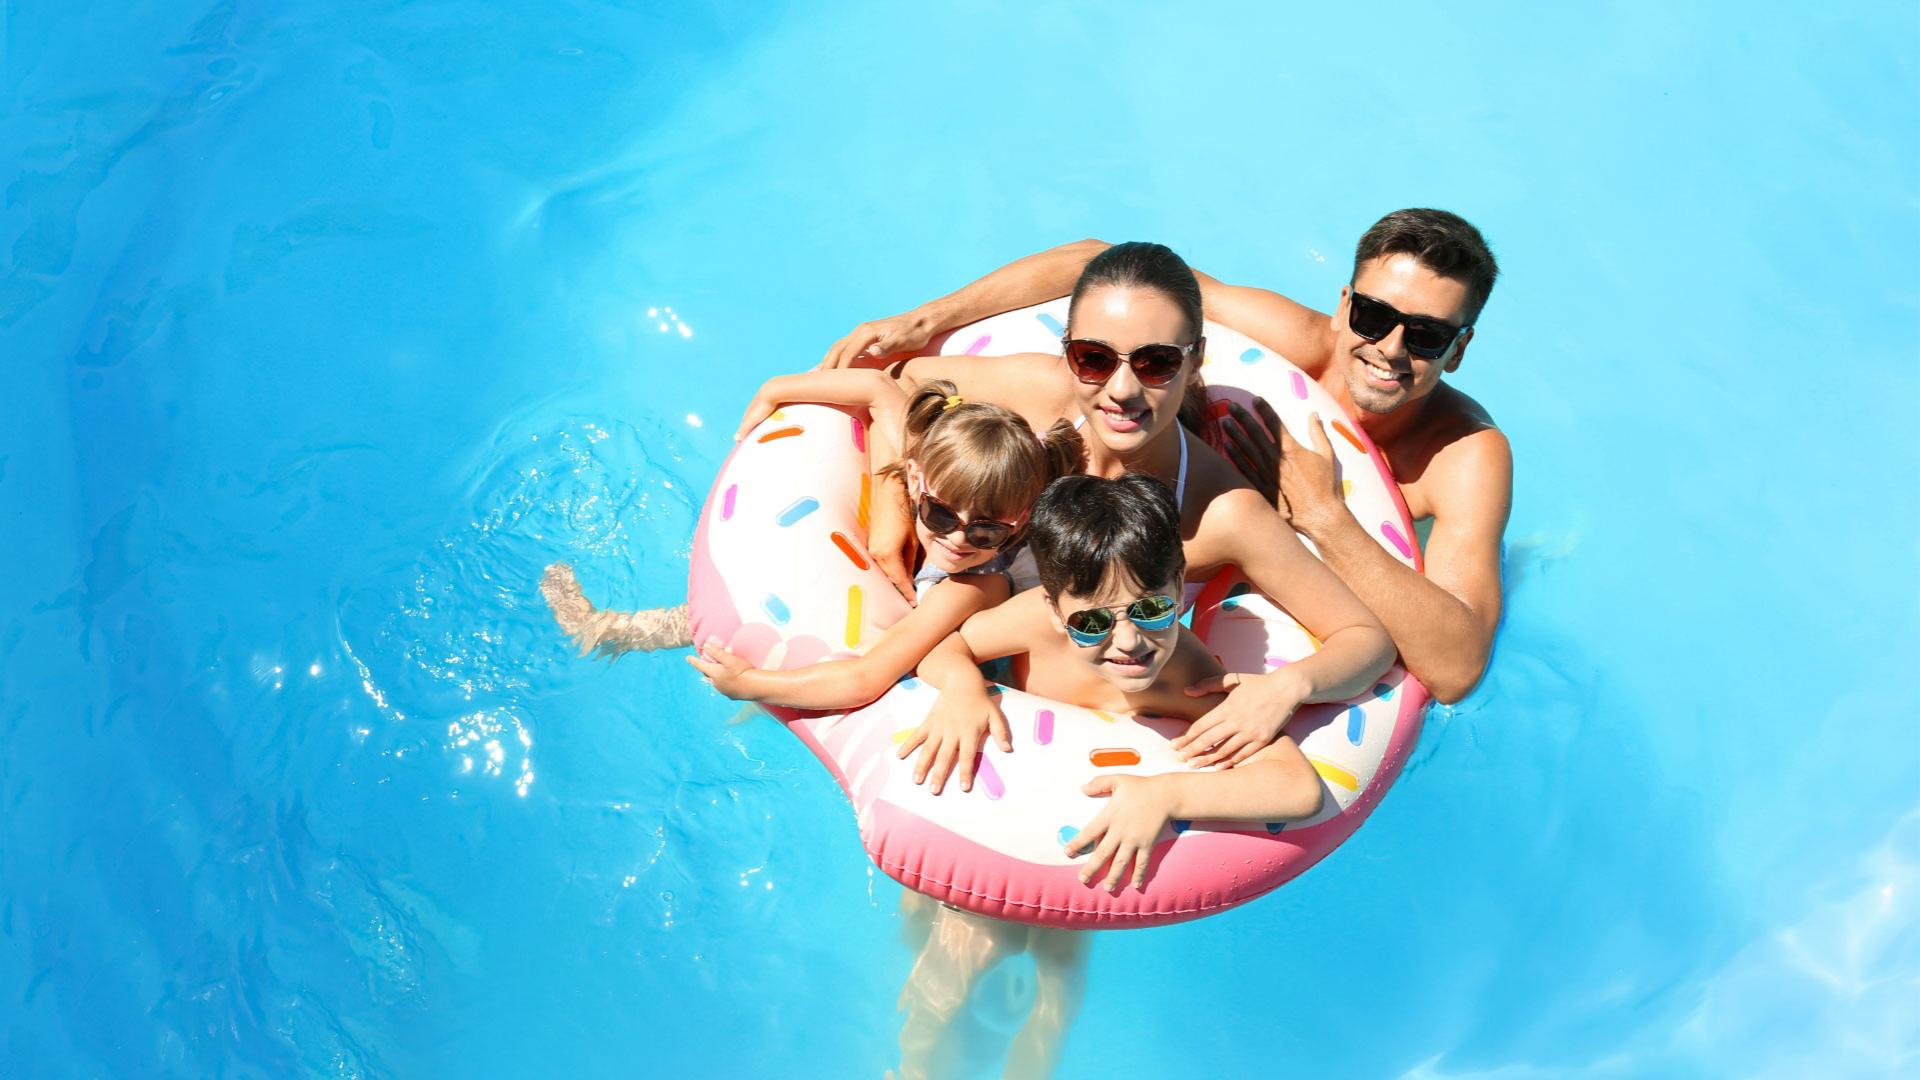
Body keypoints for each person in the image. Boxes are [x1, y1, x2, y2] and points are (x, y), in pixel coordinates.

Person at [825, 210, 1510, 704]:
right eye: (1372, 318)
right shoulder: (1284, 344)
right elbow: (1105, 265)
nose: (1389, 348)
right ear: (1345, 305)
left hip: (1259, 550)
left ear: (1461, 346)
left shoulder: (1462, 454)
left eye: (1424, 335)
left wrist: (1326, 516)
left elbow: (1453, 668)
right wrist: (928, 321)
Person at [878, 242, 1395, 768]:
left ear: (1194, 361)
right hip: (965, 649)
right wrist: (893, 510)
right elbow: (905, 383)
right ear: (1069, 353)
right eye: (1095, 358)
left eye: (1156, 363)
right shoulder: (1043, 395)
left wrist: (1287, 687)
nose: (1121, 389)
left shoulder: (1219, 511)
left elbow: (1366, 641)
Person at [896, 473, 1325, 1080]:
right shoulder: (1035, 624)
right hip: (999, 818)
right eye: (1092, 624)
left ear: (1178, 586)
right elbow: (945, 647)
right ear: (1053, 606)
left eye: (1153, 610)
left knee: (1058, 973)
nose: (1128, 642)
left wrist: (1168, 793)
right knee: (947, 951)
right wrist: (965, 688)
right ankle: (915, 1068)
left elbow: (1297, 786)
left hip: (1076, 852)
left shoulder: (1188, 678)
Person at [542, 368, 1086, 793]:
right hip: (849, 581)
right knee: (744, 603)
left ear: (1023, 520)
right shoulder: (916, 469)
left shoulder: (978, 585)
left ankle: (624, 638)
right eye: (943, 516)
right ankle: (604, 628)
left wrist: (752, 685)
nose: (961, 539)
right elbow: (879, 390)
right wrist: (773, 390)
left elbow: (867, 676)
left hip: (923, 635)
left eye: (990, 529)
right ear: (917, 478)